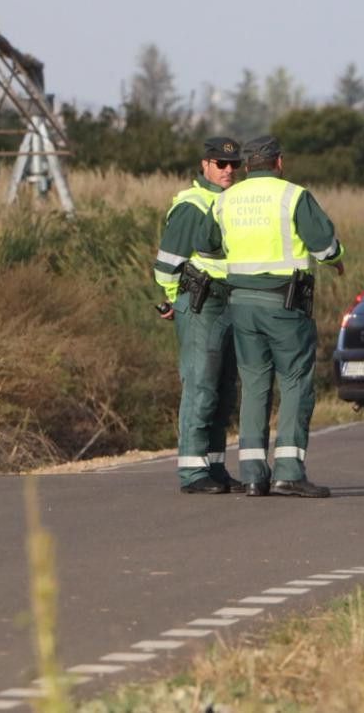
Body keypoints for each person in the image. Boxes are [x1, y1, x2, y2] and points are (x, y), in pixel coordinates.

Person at [198, 135, 344, 498]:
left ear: (247, 165)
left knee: (254, 385)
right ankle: (288, 473)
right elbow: (325, 246)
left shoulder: (226, 199)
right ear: (279, 162)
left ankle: (252, 475)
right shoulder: (293, 196)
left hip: (241, 304)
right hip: (284, 304)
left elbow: (206, 244)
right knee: (294, 381)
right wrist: (336, 258)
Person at [152, 136, 243, 494]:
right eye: (221, 164)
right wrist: (176, 302)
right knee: (201, 386)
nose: (228, 170)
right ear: (205, 164)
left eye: (234, 164)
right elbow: (166, 265)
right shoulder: (193, 204)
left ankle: (215, 468)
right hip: (201, 303)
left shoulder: (234, 200)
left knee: (224, 390)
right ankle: (193, 472)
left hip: (230, 302)